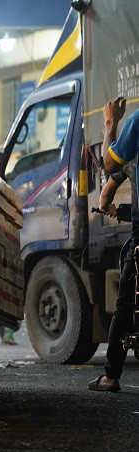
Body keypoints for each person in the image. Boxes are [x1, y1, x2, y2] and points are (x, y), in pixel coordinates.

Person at [89, 97, 139, 392]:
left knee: (126, 300)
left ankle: (111, 375)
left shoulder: (136, 123)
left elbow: (110, 165)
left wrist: (111, 123)